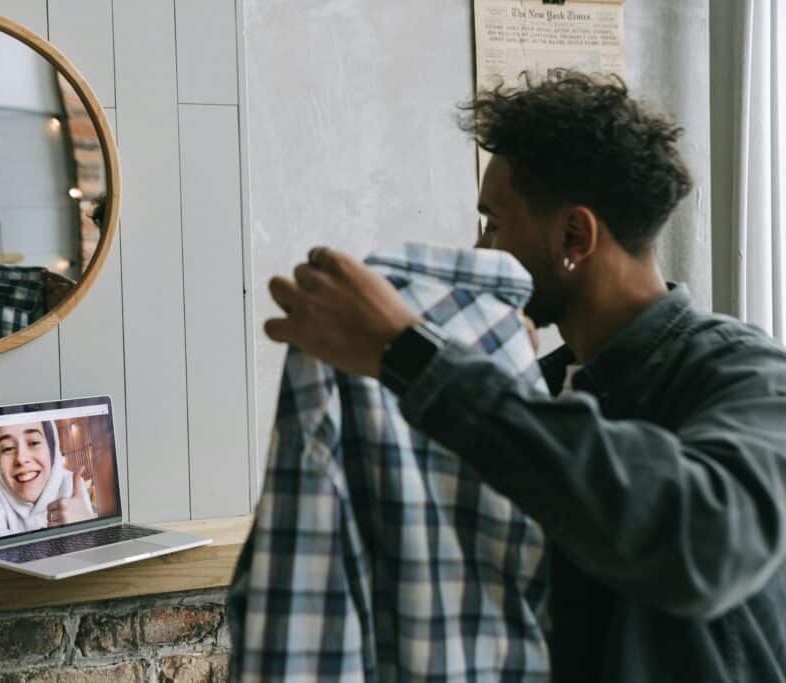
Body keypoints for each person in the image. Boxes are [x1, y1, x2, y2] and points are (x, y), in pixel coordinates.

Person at [264, 71, 786, 682]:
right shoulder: (534, 384)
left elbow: (705, 546)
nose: (479, 251)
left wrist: (408, 352)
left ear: (573, 236)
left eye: (493, 223)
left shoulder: (746, 373)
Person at [0, 420, 95, 537]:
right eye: (8, 448)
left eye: (34, 442)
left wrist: (87, 528)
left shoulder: (71, 484)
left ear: (51, 448)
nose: (21, 458)